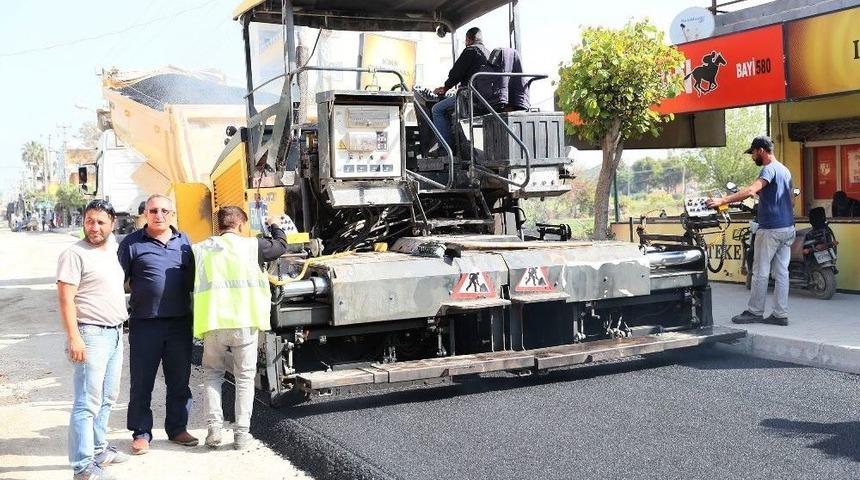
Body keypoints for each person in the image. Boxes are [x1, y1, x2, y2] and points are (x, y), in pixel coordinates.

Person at [192, 206, 287, 450]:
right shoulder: (253, 246)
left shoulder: (200, 249)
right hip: (245, 321)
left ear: (218, 226)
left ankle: (214, 429)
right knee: (244, 377)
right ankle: (241, 435)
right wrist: (274, 223)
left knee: (213, 374)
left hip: (213, 322)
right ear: (242, 225)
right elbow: (280, 247)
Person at [118, 194, 197, 454]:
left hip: (179, 323)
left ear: (172, 214)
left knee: (179, 379)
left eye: (164, 210)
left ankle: (177, 429)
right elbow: (118, 281)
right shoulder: (131, 244)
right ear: (145, 214)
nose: (158, 215)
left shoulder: (185, 242)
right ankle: (141, 433)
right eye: (153, 210)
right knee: (142, 381)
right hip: (145, 324)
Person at [57, 199, 129, 480]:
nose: (94, 227)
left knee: (107, 397)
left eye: (100, 222)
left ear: (112, 224)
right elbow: (65, 299)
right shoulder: (74, 254)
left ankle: (99, 450)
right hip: (90, 334)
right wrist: (74, 337)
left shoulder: (112, 248)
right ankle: (83, 467)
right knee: (87, 403)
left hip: (113, 333)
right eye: (89, 221)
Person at [707, 135, 795, 326]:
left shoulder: (768, 169)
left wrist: (723, 200)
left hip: (771, 229)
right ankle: (780, 314)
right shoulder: (785, 170)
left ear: (761, 151)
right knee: (781, 273)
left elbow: (750, 191)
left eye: (753, 153)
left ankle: (754, 312)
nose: (752, 156)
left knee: (760, 272)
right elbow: (790, 199)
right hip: (787, 228)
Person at [431, 27, 489, 148]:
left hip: (470, 97)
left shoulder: (470, 51)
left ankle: (446, 148)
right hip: (485, 98)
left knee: (437, 110)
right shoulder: (488, 53)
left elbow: (456, 73)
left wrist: (446, 87)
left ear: (468, 39)